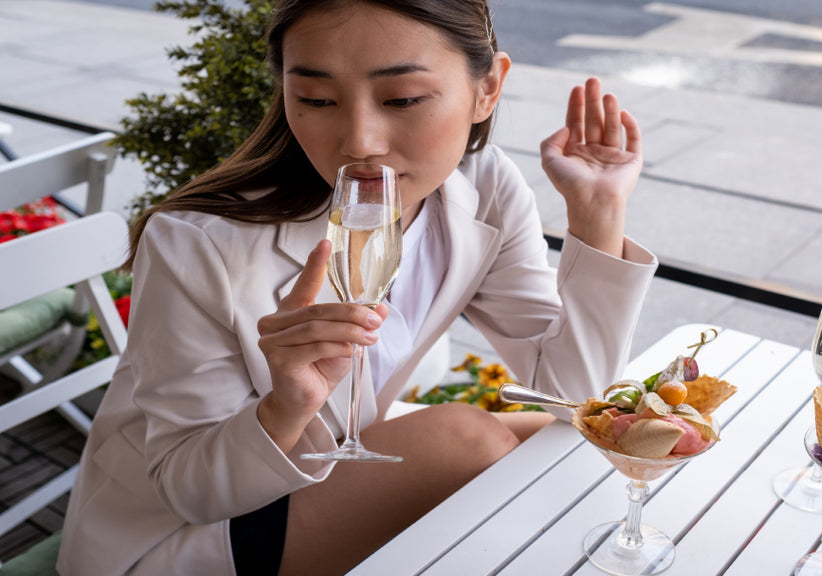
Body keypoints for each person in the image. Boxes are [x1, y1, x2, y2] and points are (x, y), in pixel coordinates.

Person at [57, 0, 658, 574]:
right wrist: (285, 407)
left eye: (402, 98)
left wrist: (598, 213)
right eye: (315, 99)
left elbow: (573, 396)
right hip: (185, 535)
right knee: (466, 437)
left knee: (588, 443)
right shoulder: (197, 243)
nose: (359, 140)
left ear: (488, 89)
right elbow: (190, 491)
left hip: (337, 457)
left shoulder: (484, 185)